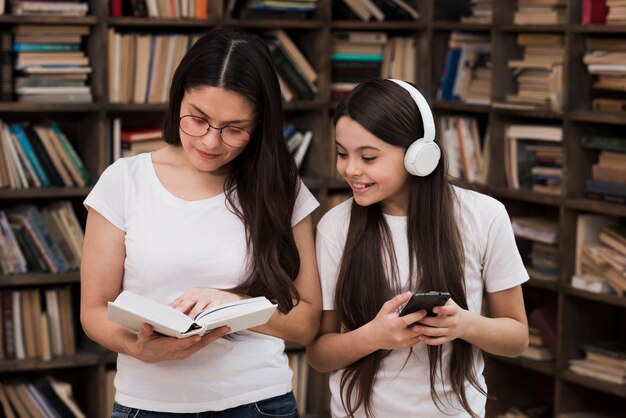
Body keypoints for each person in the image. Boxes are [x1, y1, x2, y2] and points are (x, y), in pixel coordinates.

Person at [80, 27, 321, 417]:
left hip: (257, 402)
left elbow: (306, 322)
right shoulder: (124, 180)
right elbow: (94, 310)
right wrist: (140, 347)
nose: (210, 142)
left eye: (234, 129)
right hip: (148, 403)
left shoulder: (279, 188)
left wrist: (239, 304)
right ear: (178, 100)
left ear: (259, 126)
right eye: (198, 119)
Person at [306, 78, 529, 418]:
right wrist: (374, 336)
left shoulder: (485, 215)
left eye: (368, 156)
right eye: (342, 153)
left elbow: (517, 338)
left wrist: (463, 324)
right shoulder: (336, 226)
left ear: (419, 156)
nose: (350, 169)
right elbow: (319, 354)